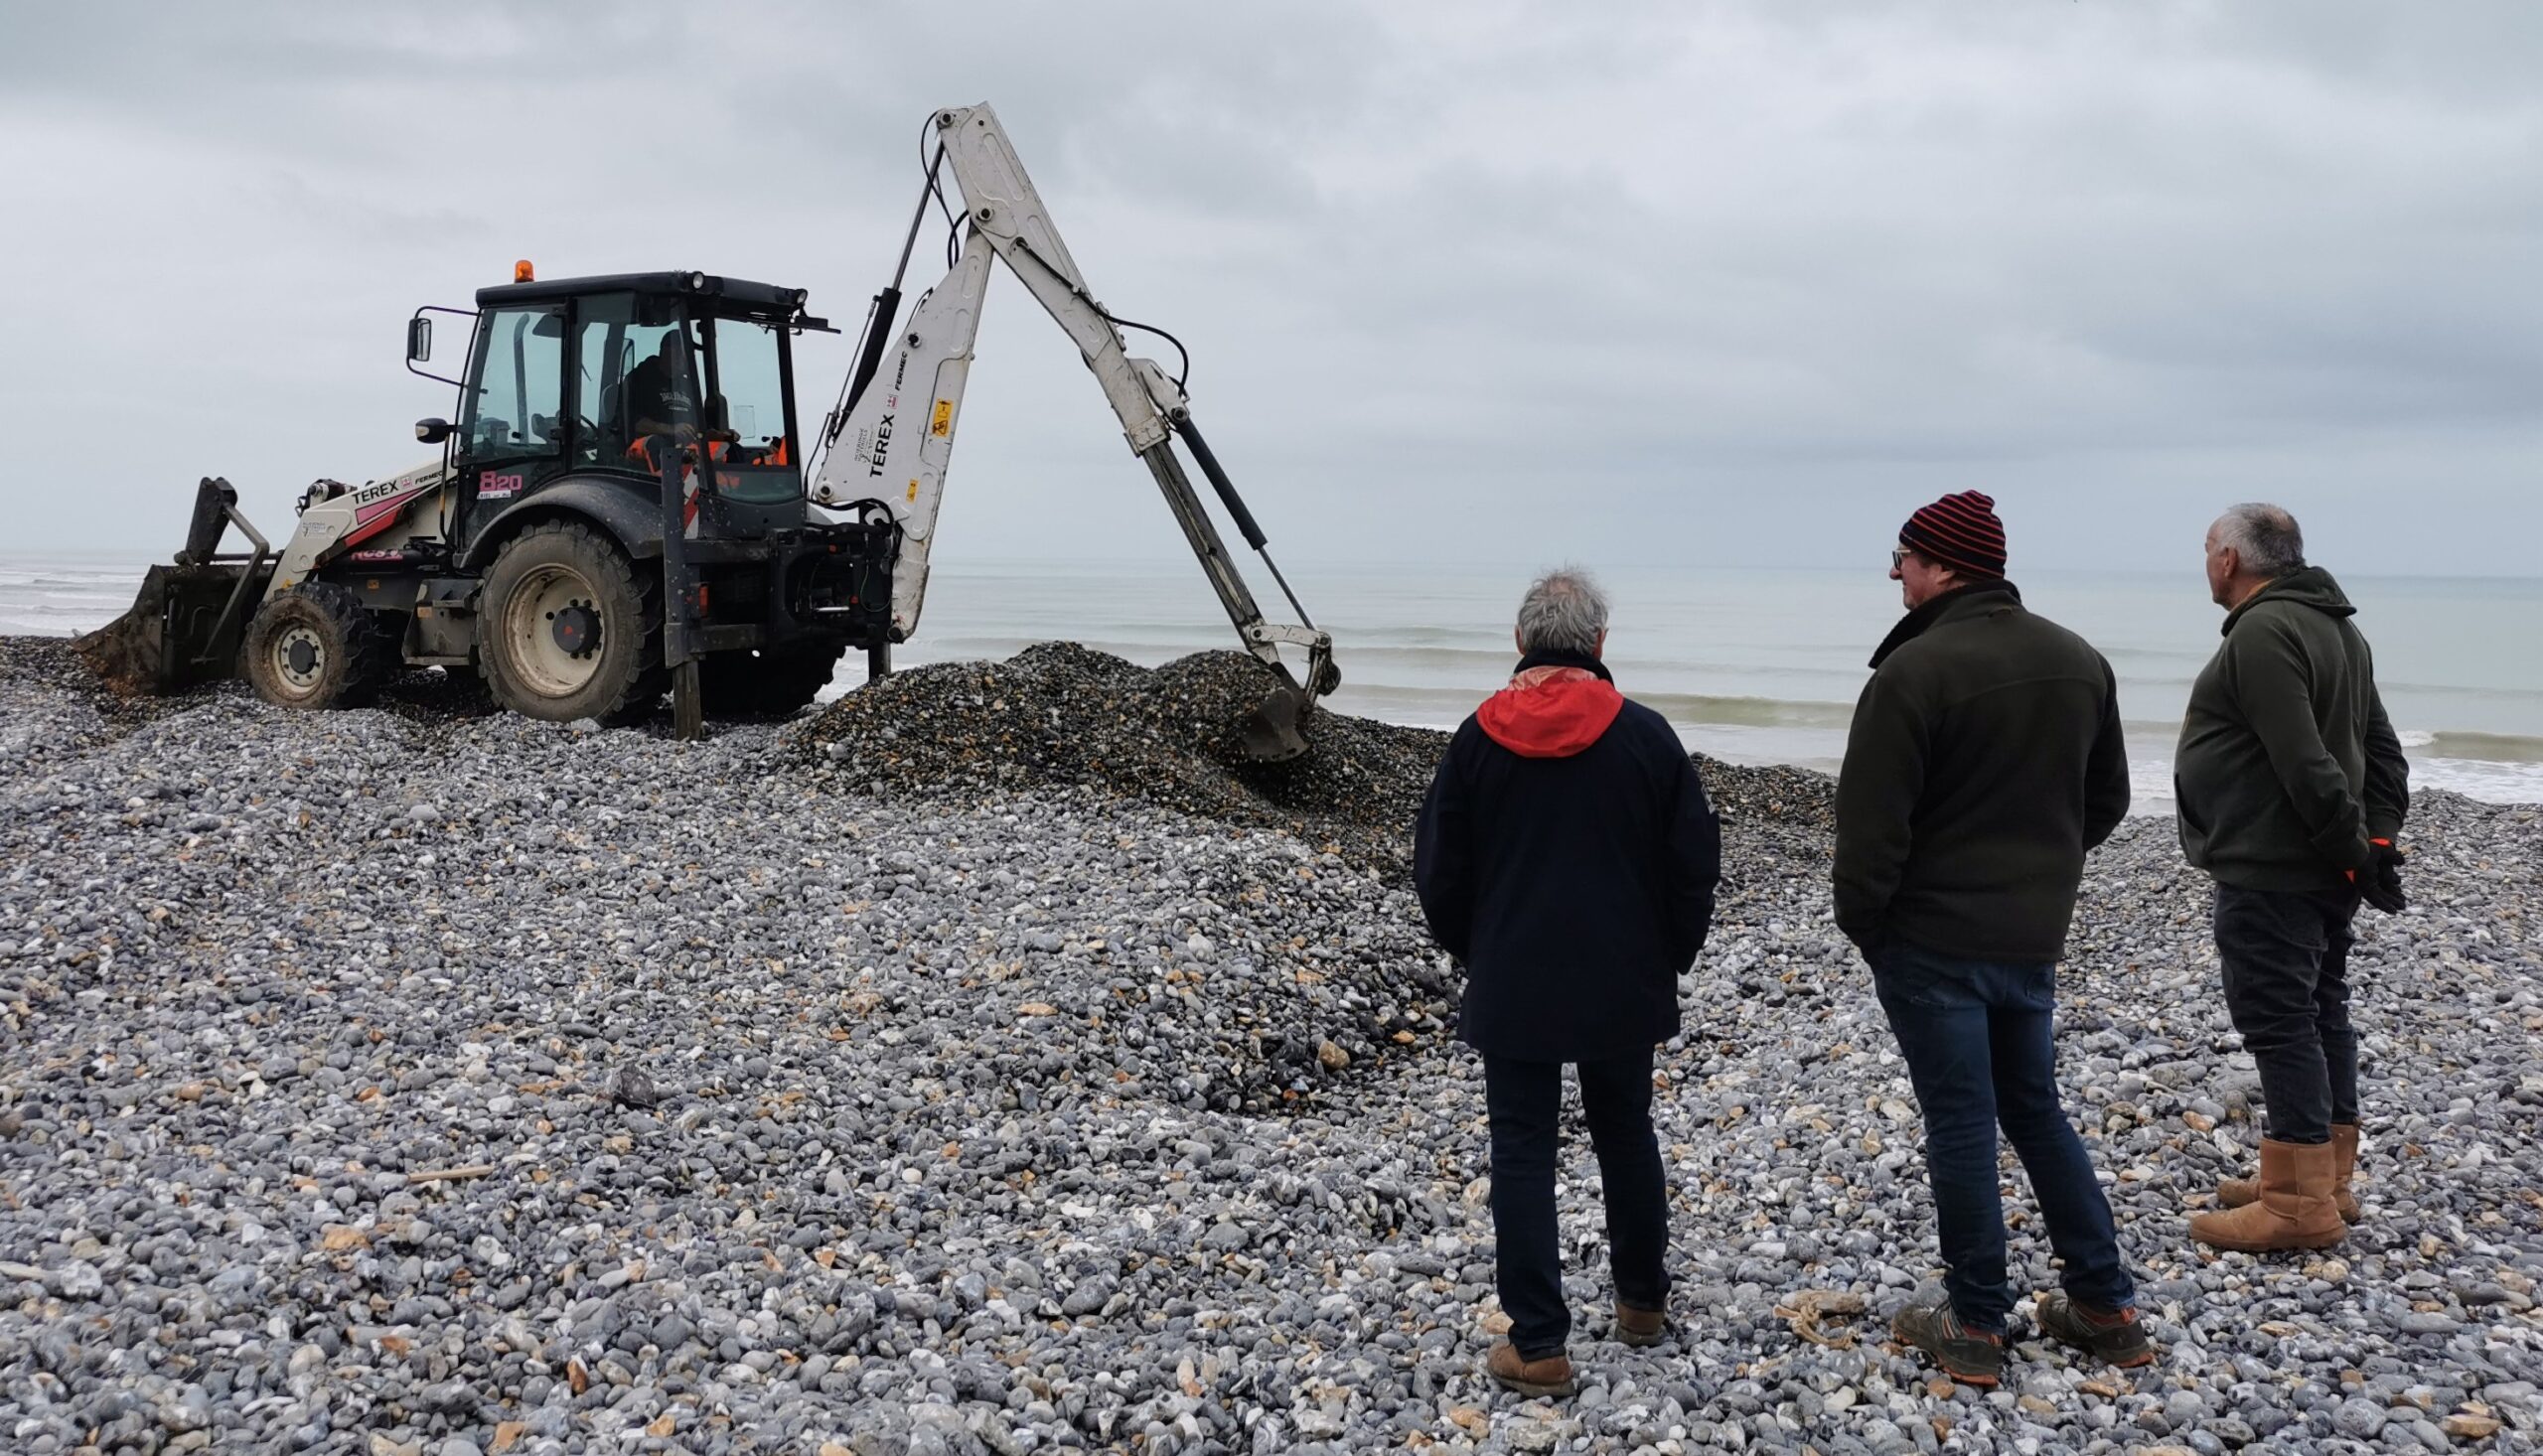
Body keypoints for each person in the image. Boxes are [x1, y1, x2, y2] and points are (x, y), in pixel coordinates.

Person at [1832, 491, 2152, 1389]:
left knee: (1966, 1123)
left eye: (1902, 556)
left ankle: (1974, 1323)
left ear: (1942, 564)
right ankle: (2104, 1305)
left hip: (1933, 938)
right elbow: (2106, 801)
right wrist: (2041, 872)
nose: (1893, 572)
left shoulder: (1913, 675)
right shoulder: (2079, 661)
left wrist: (1870, 929)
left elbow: (1869, 835)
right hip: (2029, 934)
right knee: (2034, 1108)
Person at [1415, 568, 1720, 1398]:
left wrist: (1478, 950)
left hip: (1515, 977)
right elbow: (1694, 865)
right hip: (1622, 979)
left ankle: (1541, 1343)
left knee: (1522, 1151)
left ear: (1520, 643)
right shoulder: (1647, 737)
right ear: (1598, 644)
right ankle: (1642, 1303)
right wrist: (1670, 956)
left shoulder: (1477, 739)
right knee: (1625, 1132)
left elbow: (1438, 873)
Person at [2176, 504, 2409, 1253]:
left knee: (2280, 1019)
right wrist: (2372, 843)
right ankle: (2323, 1178)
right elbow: (2383, 752)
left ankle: (2296, 1205)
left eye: (2209, 549)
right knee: (2319, 1007)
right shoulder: (2337, 629)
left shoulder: (2267, 631)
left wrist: (2359, 851)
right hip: (2320, 862)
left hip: (2274, 865)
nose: (2207, 561)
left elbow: (2305, 762)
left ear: (2230, 561)